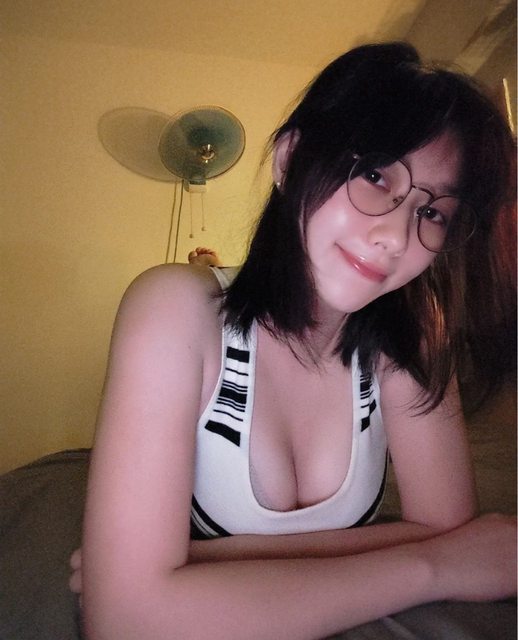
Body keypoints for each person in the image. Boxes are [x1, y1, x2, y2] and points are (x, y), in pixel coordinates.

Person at [72, 42, 516, 639]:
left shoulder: (414, 333)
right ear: (291, 159)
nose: (394, 236)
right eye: (375, 174)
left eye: (433, 212)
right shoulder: (177, 307)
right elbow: (124, 621)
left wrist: (196, 563)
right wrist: (435, 567)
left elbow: (448, 529)